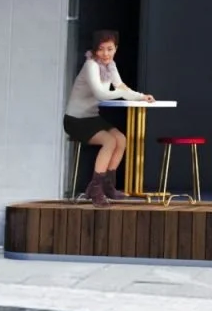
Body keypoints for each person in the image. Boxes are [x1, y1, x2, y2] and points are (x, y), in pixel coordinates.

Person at [63, 29, 152, 206]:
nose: (105, 54)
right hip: (76, 120)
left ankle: (107, 185)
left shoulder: (110, 66)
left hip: (92, 118)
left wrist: (141, 96)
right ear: (95, 50)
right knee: (109, 141)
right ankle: (95, 189)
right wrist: (120, 92)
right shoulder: (91, 65)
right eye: (101, 49)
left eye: (110, 49)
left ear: (116, 49)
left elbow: (120, 86)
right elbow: (101, 93)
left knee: (120, 139)